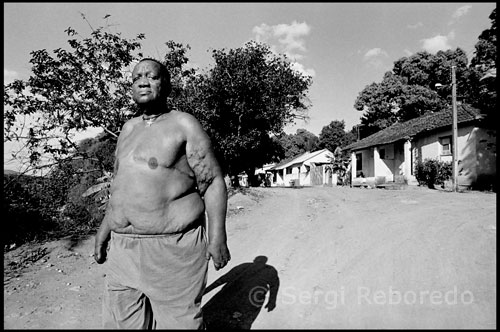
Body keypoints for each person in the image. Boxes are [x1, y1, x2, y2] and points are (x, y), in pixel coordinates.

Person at [93, 58, 231, 329]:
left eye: (151, 76)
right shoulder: (127, 129)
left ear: (166, 85)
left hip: (171, 250)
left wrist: (218, 238)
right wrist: (103, 231)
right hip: (123, 250)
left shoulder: (184, 124)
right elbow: (121, 187)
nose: (142, 81)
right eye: (136, 78)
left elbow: (212, 181)